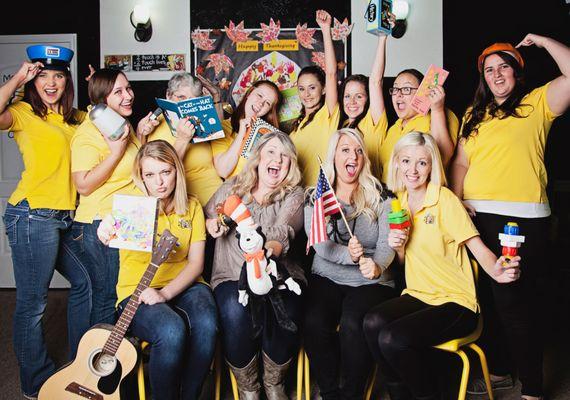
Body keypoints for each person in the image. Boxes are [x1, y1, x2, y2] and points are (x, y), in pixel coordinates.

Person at [450, 34, 570, 400]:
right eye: (490, 69)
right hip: (476, 217)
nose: (497, 74)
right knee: (488, 300)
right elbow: (460, 161)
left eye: (504, 66)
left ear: (517, 72)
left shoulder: (538, 102)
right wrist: (456, 200)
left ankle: (532, 388)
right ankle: (500, 370)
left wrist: (544, 41)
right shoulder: (474, 113)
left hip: (520, 221)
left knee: (516, 304)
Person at [363, 132, 521, 400]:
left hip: (456, 302)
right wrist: (398, 246)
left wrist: (499, 270)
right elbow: (403, 262)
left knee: (392, 338)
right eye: (406, 161)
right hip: (418, 295)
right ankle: (399, 394)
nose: (413, 170)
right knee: (371, 322)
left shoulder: (444, 199)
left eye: (422, 163)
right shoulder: (398, 201)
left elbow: (479, 250)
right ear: (397, 163)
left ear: (431, 167)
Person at [0, 45, 92, 399]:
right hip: (31, 215)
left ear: (66, 80)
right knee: (33, 303)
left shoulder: (76, 119)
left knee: (86, 283)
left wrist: (98, 89)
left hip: (66, 218)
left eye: (57, 76)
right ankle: (34, 382)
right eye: (42, 76)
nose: (50, 83)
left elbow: (115, 128)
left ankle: (79, 365)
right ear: (33, 80)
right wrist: (18, 78)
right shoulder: (23, 112)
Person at [97, 140, 218, 400]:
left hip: (186, 284)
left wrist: (165, 294)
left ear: (177, 171)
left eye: (166, 172)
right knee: (171, 331)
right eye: (150, 175)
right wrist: (105, 227)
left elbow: (196, 263)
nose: (159, 182)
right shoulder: (133, 207)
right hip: (136, 290)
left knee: (207, 325)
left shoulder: (193, 206)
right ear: (141, 177)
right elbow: (110, 223)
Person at [205, 131, 305, 400]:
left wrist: (266, 252)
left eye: (285, 156)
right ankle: (249, 389)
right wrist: (211, 224)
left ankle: (274, 385)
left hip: (279, 275)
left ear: (291, 166)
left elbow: (284, 232)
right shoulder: (232, 188)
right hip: (231, 277)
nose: (278, 159)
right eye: (271, 151)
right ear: (259, 157)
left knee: (284, 307)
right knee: (236, 310)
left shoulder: (295, 195)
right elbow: (207, 215)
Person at [303, 128, 396, 400]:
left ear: (364, 159)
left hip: (370, 279)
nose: (352, 156)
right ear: (334, 156)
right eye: (345, 149)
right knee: (314, 321)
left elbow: (386, 243)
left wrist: (377, 265)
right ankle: (331, 392)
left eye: (358, 151)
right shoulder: (317, 196)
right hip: (328, 275)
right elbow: (320, 245)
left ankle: (352, 393)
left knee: (353, 322)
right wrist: (350, 256)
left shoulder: (382, 195)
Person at [71, 68, 157, 325]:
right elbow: (83, 185)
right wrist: (115, 153)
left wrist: (140, 136)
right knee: (107, 297)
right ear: (102, 100)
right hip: (102, 223)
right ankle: (98, 360)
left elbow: (133, 169)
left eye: (128, 88)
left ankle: (116, 358)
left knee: (123, 294)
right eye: (118, 92)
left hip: (127, 219)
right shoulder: (88, 134)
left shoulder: (121, 124)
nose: (128, 96)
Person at [316, 10, 389, 177]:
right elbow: (331, 74)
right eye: (347, 96)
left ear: (368, 99)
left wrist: (383, 38)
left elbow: (376, 81)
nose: (352, 102)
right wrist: (326, 30)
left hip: (370, 195)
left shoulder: (374, 122)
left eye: (359, 96)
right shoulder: (336, 120)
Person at [144, 72, 223, 206]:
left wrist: (216, 97)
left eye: (193, 99)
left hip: (214, 194)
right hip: (181, 200)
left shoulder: (199, 120)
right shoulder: (155, 125)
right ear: (168, 95)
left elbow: (218, 130)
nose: (187, 103)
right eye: (181, 97)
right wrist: (183, 139)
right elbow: (164, 172)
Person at [378, 67, 458, 183]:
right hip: (390, 199)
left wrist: (437, 110)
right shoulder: (393, 128)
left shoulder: (441, 115)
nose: (399, 94)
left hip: (420, 198)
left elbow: (443, 155)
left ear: (422, 93)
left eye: (406, 89)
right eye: (395, 89)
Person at [289, 10, 341, 187]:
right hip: (297, 196)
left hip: (320, 197)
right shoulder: (297, 126)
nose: (307, 94)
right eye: (302, 89)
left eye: (312, 88)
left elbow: (332, 73)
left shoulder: (328, 114)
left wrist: (326, 29)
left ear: (324, 88)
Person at [212, 80, 282, 179]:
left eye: (267, 103)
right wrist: (242, 133)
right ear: (249, 93)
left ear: (269, 111)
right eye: (260, 95)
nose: (261, 103)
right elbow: (223, 171)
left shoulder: (269, 136)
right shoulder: (224, 127)